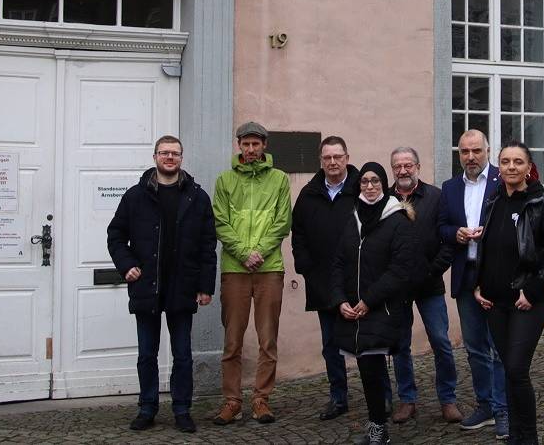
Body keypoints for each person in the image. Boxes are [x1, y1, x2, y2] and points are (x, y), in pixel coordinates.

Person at [106, 135, 216, 433]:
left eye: (175, 153)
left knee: (183, 355)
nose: (170, 157)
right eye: (164, 153)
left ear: (182, 158)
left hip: (183, 285)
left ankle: (182, 409)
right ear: (155, 156)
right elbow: (116, 235)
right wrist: (126, 265)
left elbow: (208, 245)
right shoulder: (135, 196)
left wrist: (206, 286)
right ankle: (147, 408)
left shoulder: (197, 197)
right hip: (147, 286)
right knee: (147, 354)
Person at [474, 142, 544, 445]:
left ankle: (528, 438)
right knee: (509, 371)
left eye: (518, 161)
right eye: (505, 162)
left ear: (529, 167)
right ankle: (515, 435)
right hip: (495, 303)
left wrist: (533, 289)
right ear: (498, 167)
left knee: (516, 369)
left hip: (526, 302)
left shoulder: (543, 203)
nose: (511, 167)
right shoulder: (493, 201)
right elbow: (487, 247)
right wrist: (478, 284)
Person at [329, 162, 423, 445]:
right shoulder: (353, 218)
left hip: (381, 307)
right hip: (353, 309)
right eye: (364, 181)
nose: (369, 186)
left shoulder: (397, 220)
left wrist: (368, 300)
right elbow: (338, 263)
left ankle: (379, 429)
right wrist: (340, 300)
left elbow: (400, 269)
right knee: (368, 370)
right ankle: (377, 425)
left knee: (373, 368)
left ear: (384, 184)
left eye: (375, 181)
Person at [212, 121, 292, 425]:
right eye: (245, 144)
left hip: (269, 268)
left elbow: (283, 222)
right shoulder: (224, 180)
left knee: (267, 339)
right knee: (232, 340)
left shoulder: (279, 179)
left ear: (264, 146)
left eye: (255, 144)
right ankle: (232, 401)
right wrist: (244, 253)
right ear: (239, 146)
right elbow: (220, 223)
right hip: (235, 269)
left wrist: (259, 252)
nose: (250, 149)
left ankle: (261, 399)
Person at [437, 129, 509, 436]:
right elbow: (441, 226)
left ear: (488, 151)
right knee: (475, 348)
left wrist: (487, 234)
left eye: (476, 151)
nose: (470, 157)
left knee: (500, 347)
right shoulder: (450, 187)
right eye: (464, 152)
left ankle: (503, 409)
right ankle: (485, 406)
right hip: (465, 276)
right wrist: (455, 233)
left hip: (496, 277)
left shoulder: (501, 182)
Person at [386, 145, 460, 424]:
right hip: (397, 287)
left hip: (430, 283)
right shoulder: (384, 200)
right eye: (397, 166)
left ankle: (448, 399)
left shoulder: (436, 197)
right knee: (400, 345)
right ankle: (407, 399)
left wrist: (432, 271)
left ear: (418, 167)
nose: (403, 170)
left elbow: (448, 241)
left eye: (408, 165)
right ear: (392, 169)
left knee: (440, 342)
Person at [290, 136, 362, 420]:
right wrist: (304, 266)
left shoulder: (362, 189)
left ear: (347, 158)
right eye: (327, 158)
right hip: (322, 281)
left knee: (367, 343)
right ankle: (338, 397)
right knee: (331, 345)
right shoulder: (309, 194)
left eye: (338, 157)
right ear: (321, 161)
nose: (333, 162)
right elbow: (298, 233)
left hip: (357, 281)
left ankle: (379, 397)